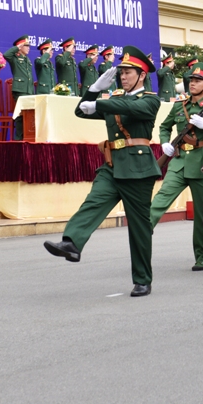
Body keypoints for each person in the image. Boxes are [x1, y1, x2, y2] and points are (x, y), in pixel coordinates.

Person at [43, 47, 160, 297]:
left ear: (141, 76)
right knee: (93, 202)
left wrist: (100, 101)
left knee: (139, 227)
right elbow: (80, 110)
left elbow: (135, 110)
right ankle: (72, 242)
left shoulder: (149, 99)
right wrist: (94, 88)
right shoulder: (115, 99)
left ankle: (142, 279)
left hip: (138, 169)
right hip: (112, 164)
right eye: (121, 72)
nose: (123, 77)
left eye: (128, 72)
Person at [149, 62, 203, 271]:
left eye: (197, 81)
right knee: (160, 200)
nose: (192, 83)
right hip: (179, 161)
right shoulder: (180, 105)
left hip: (202, 161)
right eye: (191, 80)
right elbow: (165, 126)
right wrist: (165, 142)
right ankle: (142, 231)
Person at [3, 36, 34, 140]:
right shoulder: (15, 58)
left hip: (28, 90)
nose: (29, 47)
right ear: (20, 46)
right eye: (26, 45)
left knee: (29, 114)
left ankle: (27, 136)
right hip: (20, 89)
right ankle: (18, 138)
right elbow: (6, 55)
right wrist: (17, 48)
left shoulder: (26, 59)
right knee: (21, 114)